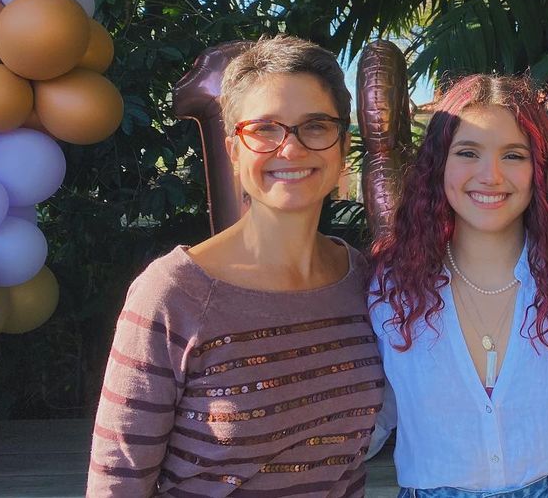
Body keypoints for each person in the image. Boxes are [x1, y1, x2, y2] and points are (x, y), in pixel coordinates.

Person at [87, 36, 384, 497]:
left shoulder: (361, 279)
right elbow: (117, 482)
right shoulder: (175, 294)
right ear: (233, 151)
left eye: (316, 126)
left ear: (342, 147)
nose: (290, 149)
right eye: (265, 129)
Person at [369, 74, 548, 497]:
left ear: (540, 171)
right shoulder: (391, 292)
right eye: (468, 152)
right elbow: (375, 418)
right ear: (438, 164)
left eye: (514, 155)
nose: (491, 175)